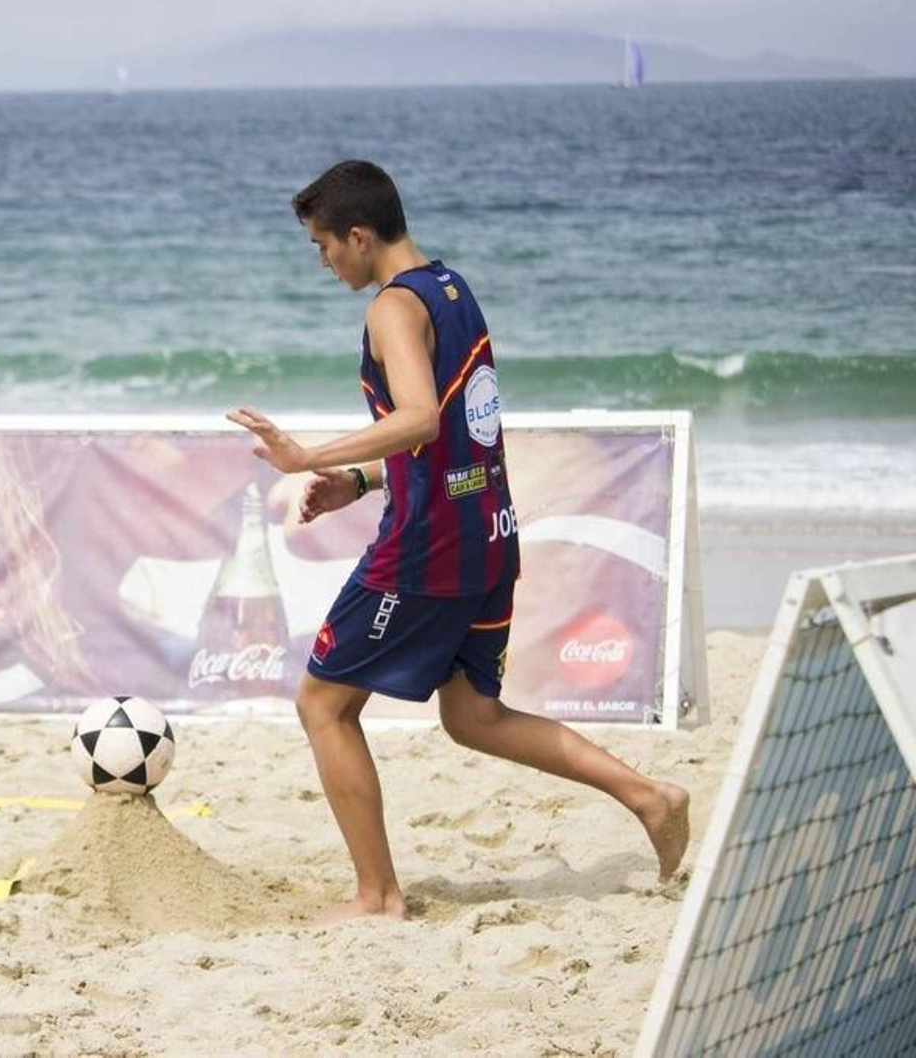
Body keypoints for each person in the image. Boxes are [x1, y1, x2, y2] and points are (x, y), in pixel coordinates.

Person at [226, 160, 689, 923]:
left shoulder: (391, 308)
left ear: (359, 234)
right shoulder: (451, 289)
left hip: (427, 548)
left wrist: (308, 457)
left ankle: (376, 898)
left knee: (324, 705)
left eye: (322, 246)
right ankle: (650, 797)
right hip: (488, 532)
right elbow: (455, 440)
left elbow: (420, 419)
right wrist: (368, 482)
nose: (323, 261)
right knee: (473, 717)